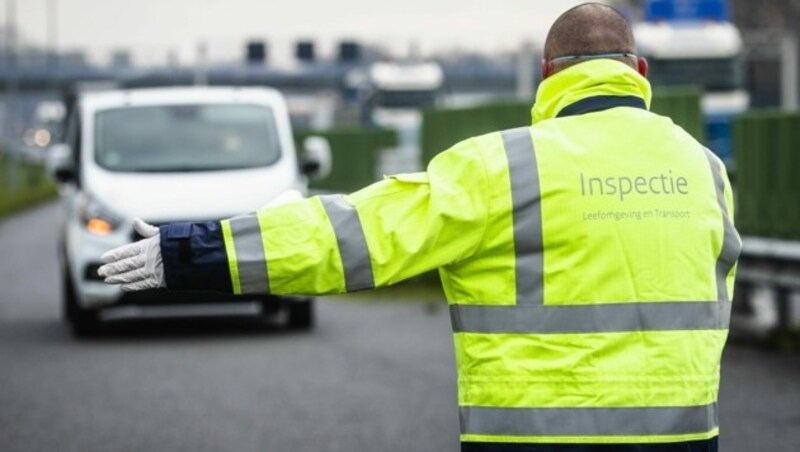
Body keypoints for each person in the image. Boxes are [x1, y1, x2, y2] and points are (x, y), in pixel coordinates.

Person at [99, 3, 741, 451]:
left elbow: (350, 236)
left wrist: (190, 251)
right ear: (641, 72)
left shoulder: (503, 167)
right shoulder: (707, 170)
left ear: (549, 76)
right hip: (685, 437)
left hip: (536, 439)